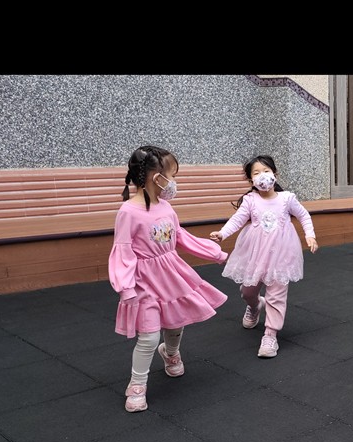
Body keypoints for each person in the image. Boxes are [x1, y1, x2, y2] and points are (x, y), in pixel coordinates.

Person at [109, 145, 229, 413]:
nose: (174, 182)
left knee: (176, 321)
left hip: (171, 274)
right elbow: (122, 250)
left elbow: (179, 236)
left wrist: (215, 253)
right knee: (149, 337)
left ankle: (171, 352)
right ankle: (137, 385)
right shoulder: (128, 212)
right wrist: (125, 287)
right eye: (172, 175)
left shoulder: (165, 207)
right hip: (144, 282)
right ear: (157, 177)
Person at [210, 155, 318, 358]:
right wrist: (223, 233)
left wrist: (309, 235)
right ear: (251, 180)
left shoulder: (286, 199)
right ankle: (255, 306)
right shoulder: (251, 200)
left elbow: (303, 215)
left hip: (281, 254)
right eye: (257, 173)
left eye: (266, 171)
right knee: (248, 291)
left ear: (275, 174)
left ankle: (270, 335)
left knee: (276, 295)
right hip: (256, 254)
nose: (262, 176)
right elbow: (237, 219)